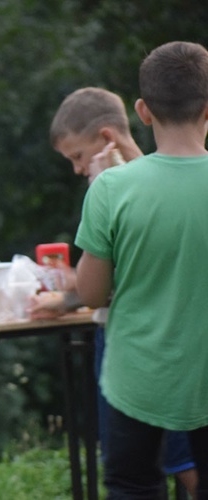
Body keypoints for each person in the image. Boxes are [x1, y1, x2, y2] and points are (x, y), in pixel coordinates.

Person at [32, 86, 199, 496]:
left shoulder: (111, 188)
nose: (76, 169)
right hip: (190, 345)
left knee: (153, 472)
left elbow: (96, 289)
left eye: (76, 156)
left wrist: (66, 297)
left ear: (106, 138)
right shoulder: (171, 178)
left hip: (142, 351)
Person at [75, 41, 208, 498]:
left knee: (133, 486)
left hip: (138, 378)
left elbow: (90, 293)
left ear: (143, 111)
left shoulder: (112, 187)